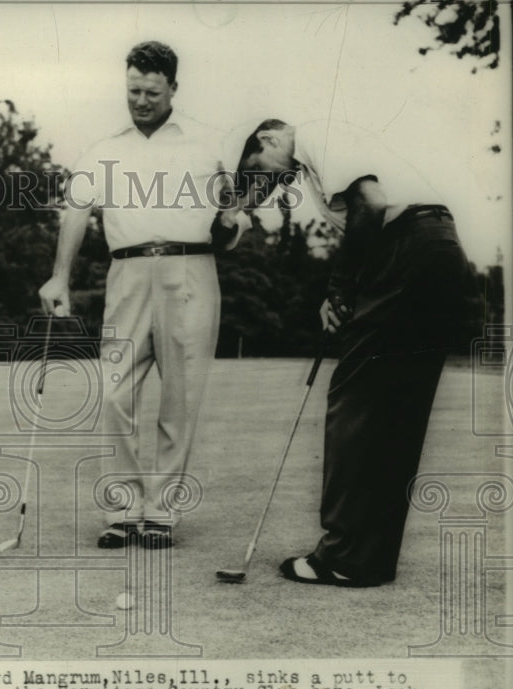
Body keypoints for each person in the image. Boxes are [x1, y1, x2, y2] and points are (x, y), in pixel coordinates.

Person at [236, 118, 475, 586]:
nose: (268, 186)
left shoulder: (319, 135)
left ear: (267, 140)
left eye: (260, 173)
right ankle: (369, 559)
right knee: (397, 414)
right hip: (440, 250)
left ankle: (343, 556)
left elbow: (371, 206)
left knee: (354, 402)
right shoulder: (318, 158)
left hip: (408, 249)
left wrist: (341, 289)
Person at [39, 41, 243, 550]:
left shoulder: (209, 145)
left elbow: (234, 222)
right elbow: (77, 214)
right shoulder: (104, 149)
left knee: (181, 397)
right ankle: (123, 509)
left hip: (191, 271)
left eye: (152, 91)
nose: (142, 100)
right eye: (133, 91)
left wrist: (231, 224)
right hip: (127, 274)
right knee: (113, 392)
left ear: (173, 88)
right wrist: (58, 278)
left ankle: (161, 513)